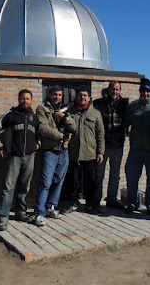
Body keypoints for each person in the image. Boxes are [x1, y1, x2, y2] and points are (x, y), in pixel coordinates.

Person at [0, 89, 40, 231]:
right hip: (14, 157)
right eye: (23, 98)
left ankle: (21, 213)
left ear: (31, 100)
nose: (25, 101)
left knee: (25, 187)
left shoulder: (34, 117)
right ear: (19, 99)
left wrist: (38, 144)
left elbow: (39, 134)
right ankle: (3, 218)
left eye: (28, 99)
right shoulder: (10, 115)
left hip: (30, 157)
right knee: (8, 188)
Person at [33, 86, 76, 227]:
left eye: (59, 95)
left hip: (63, 151)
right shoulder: (42, 109)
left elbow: (74, 127)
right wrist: (62, 136)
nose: (57, 97)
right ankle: (39, 213)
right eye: (55, 95)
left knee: (58, 181)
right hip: (50, 150)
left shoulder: (64, 109)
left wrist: (65, 117)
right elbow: (43, 128)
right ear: (49, 95)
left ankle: (50, 207)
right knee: (45, 182)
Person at [124, 77, 150, 215]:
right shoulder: (132, 107)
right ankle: (131, 203)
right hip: (135, 149)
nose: (145, 94)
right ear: (139, 92)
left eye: (148, 91)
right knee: (132, 177)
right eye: (142, 91)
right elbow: (125, 123)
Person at [61, 86, 105, 215]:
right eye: (80, 95)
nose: (83, 97)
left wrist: (100, 152)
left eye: (85, 95)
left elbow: (100, 134)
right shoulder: (69, 112)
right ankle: (73, 203)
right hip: (73, 153)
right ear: (76, 97)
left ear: (89, 98)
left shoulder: (95, 113)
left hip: (90, 153)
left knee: (90, 181)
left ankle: (90, 204)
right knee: (73, 181)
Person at [93, 81, 129, 209]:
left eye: (117, 90)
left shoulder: (124, 104)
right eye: (113, 89)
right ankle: (96, 200)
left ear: (120, 91)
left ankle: (112, 200)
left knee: (115, 175)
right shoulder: (98, 104)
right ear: (108, 90)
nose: (115, 92)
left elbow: (128, 122)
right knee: (99, 174)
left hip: (118, 144)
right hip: (102, 146)